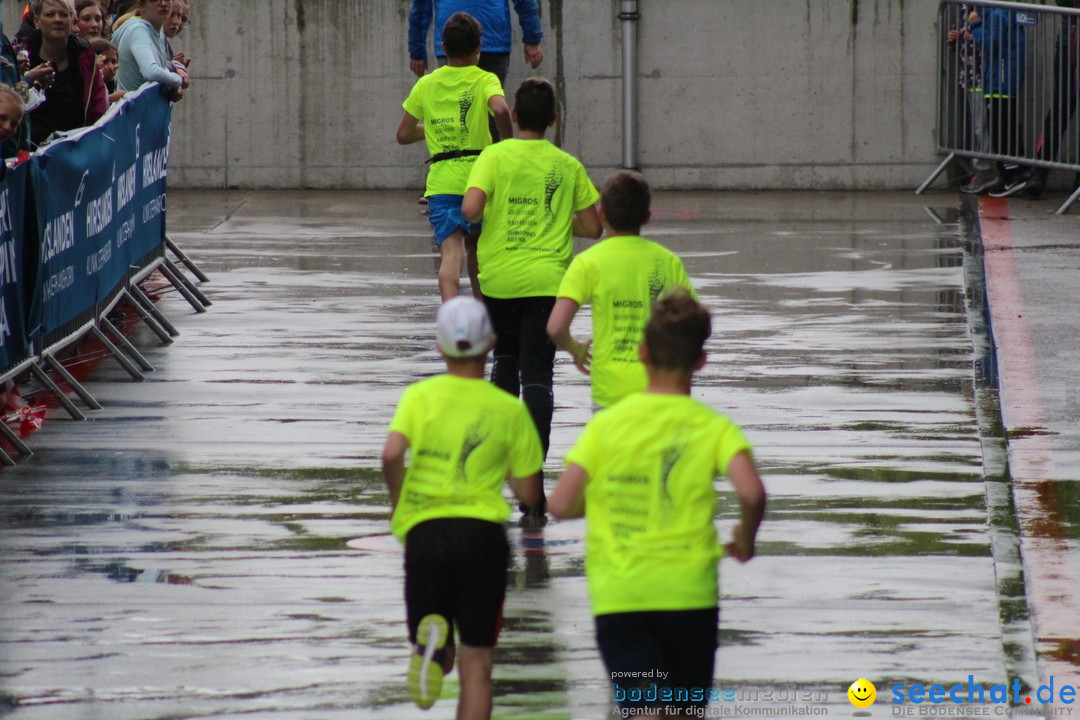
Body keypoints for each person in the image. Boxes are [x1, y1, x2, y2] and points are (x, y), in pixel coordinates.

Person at [548, 289, 767, 718]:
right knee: (684, 710)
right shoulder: (713, 428)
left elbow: (559, 503)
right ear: (700, 361)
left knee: (642, 706)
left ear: (642, 353)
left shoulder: (608, 425)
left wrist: (607, 499)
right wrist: (746, 536)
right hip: (690, 598)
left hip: (621, 598)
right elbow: (753, 492)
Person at [381, 296, 543, 719]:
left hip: (425, 532)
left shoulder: (419, 397)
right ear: (491, 343)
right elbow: (528, 494)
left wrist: (400, 506)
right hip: (481, 538)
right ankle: (441, 652)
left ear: (439, 347)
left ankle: (434, 652)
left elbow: (391, 454)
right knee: (477, 665)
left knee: (440, 645)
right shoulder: (508, 408)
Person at [462, 77, 602, 517]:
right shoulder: (567, 165)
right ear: (554, 120)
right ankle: (533, 481)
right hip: (547, 282)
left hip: (499, 280)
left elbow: (470, 209)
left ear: (515, 116)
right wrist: (558, 223)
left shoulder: (493, 156)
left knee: (503, 365)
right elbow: (593, 226)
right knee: (538, 377)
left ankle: (499, 463)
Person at [547, 170, 694, 411]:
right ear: (646, 217)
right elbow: (693, 326)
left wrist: (575, 348)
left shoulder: (587, 263)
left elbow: (555, 327)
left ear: (602, 214)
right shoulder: (668, 262)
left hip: (610, 392)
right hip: (661, 390)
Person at [396, 12, 512, 302]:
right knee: (478, 251)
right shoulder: (485, 79)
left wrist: (434, 128)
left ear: (443, 48)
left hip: (443, 182)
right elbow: (500, 110)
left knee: (451, 252)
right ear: (478, 48)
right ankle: (483, 319)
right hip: (479, 180)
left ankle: (453, 322)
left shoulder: (426, 85)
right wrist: (509, 146)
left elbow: (403, 134)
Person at [408, 0, 542, 141]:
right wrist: (416, 50)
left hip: (488, 44)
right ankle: (484, 158)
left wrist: (532, 38)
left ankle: (491, 159)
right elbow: (420, 4)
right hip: (478, 42)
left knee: (483, 115)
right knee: (458, 113)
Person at [23, 0, 108, 147]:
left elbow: (97, 113)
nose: (57, 20)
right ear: (37, 20)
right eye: (50, 14)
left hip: (77, 154)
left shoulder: (87, 61)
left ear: (73, 20)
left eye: (64, 15)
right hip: (30, 153)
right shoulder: (20, 58)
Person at [966, 6, 1027, 195]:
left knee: (1001, 129)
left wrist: (975, 25)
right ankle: (1013, 174)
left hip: (999, 82)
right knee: (1001, 127)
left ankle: (1013, 175)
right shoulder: (998, 13)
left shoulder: (998, 14)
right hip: (996, 81)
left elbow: (992, 42)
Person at [111, 0, 188, 99]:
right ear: (141, 4)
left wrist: (171, 85)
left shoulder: (157, 30)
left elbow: (160, 67)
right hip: (134, 111)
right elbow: (151, 72)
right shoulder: (138, 31)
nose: (163, 3)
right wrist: (177, 80)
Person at [89, 36, 124, 103]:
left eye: (113, 62)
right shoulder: (85, 83)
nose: (110, 66)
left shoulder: (111, 83)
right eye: (105, 61)